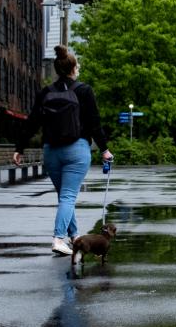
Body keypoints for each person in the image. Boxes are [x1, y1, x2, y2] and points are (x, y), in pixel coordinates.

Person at [15, 45, 112, 255]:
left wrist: (19, 148)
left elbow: (32, 122)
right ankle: (58, 239)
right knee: (68, 196)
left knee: (64, 196)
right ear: (73, 68)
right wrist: (104, 149)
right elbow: (95, 123)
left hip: (51, 152)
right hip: (76, 150)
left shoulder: (46, 92)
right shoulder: (84, 90)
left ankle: (74, 237)